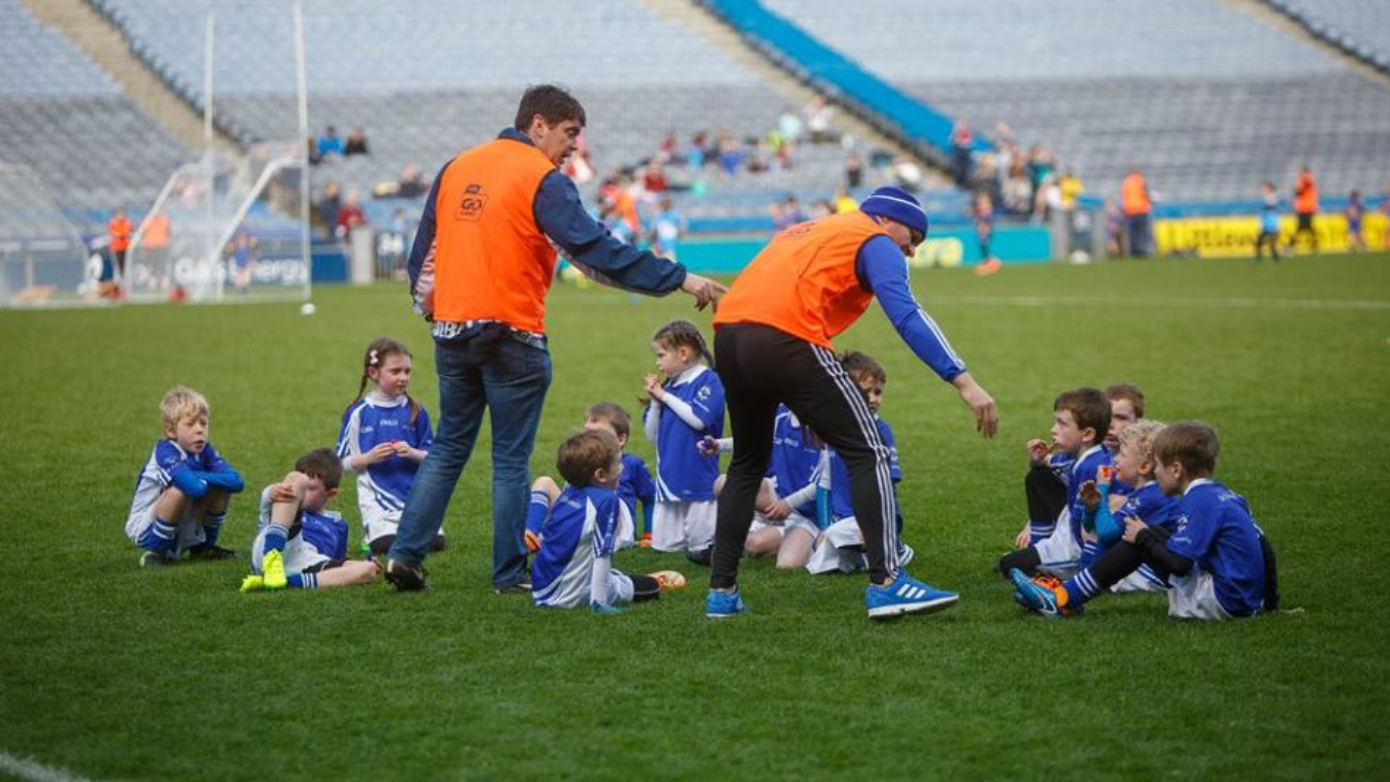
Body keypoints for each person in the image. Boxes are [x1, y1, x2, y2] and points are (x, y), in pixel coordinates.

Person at [384, 85, 723, 593]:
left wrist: (436, 314)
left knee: (449, 446)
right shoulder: (542, 179)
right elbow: (595, 250)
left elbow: (423, 258)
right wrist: (679, 278)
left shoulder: (457, 167)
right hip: (512, 336)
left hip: (453, 336)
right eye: (569, 134)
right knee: (509, 459)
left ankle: (405, 556)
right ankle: (507, 574)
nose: (573, 149)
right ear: (538, 124)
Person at [705, 185, 998, 620]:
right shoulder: (874, 238)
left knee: (747, 464)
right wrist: (964, 382)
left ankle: (721, 594)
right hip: (786, 335)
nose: (911, 252)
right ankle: (887, 582)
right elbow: (907, 314)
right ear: (888, 220)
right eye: (913, 239)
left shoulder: (812, 229)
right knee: (870, 450)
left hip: (730, 333)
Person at [1012, 422, 1278, 620]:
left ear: (1176, 469)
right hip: (1242, 600)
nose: (1156, 473)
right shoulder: (1222, 493)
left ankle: (1062, 598)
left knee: (1139, 540)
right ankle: (1066, 594)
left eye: (1158, 466)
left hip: (1222, 602)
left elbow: (1181, 565)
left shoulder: (1197, 500)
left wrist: (1143, 538)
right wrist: (1270, 604)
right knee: (1152, 533)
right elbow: (1264, 546)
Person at [530, 429, 686, 612]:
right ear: (601, 475)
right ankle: (642, 581)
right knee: (648, 587)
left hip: (541, 589)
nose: (622, 468)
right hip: (567, 596)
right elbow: (601, 556)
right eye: (619, 463)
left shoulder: (571, 490)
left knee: (613, 577)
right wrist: (600, 603)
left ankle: (620, 580)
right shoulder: (606, 500)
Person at [805, 352, 914, 575]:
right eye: (866, 393)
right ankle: (862, 557)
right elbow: (824, 486)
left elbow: (888, 485)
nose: (873, 399)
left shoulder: (881, 431)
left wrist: (876, 522)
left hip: (873, 518)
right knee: (820, 564)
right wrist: (824, 528)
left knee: (837, 538)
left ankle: (895, 547)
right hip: (841, 521)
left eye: (878, 392)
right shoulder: (832, 432)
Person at [337, 337, 440, 557]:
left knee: (436, 543)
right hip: (377, 502)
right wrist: (367, 458)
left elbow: (434, 458)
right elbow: (339, 463)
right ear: (374, 373)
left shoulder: (416, 411)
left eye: (407, 371)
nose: (403, 378)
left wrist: (412, 453)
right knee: (388, 545)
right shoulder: (357, 413)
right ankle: (371, 534)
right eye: (395, 371)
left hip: (415, 497)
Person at [997, 387, 1112, 581]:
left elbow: (1089, 528)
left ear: (1087, 434)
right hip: (1067, 536)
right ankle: (1039, 544)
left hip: (1076, 549)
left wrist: (1087, 570)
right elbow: (1047, 463)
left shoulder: (1092, 469)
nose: (1053, 429)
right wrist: (1037, 459)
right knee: (1037, 475)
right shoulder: (1080, 457)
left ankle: (1050, 570)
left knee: (1008, 565)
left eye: (1061, 423)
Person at [124, 387, 244, 567]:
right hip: (145, 526)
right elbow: (195, 488)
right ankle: (157, 552)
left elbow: (236, 482)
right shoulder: (164, 452)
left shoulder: (205, 451)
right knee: (178, 491)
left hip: (182, 517)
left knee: (222, 488)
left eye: (203, 423)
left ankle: (203, 548)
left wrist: (198, 476)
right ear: (171, 431)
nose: (199, 430)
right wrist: (208, 478)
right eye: (190, 424)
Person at [1013, 383, 1143, 550]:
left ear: (1138, 422)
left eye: (1121, 417)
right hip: (1083, 518)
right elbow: (1046, 462)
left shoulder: (1140, 462)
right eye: (1108, 416)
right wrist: (1032, 525)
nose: (1111, 424)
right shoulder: (1083, 452)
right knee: (1038, 475)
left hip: (1111, 528)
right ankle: (1043, 540)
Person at [239, 448, 380, 592]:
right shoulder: (283, 505)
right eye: (301, 488)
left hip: (306, 563)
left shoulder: (339, 525)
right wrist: (272, 491)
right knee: (297, 478)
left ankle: (283, 583)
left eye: (310, 489)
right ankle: (273, 557)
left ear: (330, 494)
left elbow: (336, 561)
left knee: (367, 570)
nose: (302, 492)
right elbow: (269, 496)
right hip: (278, 547)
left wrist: (361, 563)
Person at [643, 320, 724, 563]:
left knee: (701, 547)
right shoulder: (669, 386)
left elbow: (699, 420)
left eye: (661, 355)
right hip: (669, 479)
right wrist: (656, 402)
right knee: (664, 549)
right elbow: (651, 435)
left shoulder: (708, 380)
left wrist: (664, 397)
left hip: (699, 478)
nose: (657, 362)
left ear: (684, 353)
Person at [525, 402, 656, 552]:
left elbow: (649, 498)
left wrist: (649, 534)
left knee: (604, 498)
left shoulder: (631, 464)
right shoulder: (581, 458)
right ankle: (531, 535)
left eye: (599, 435)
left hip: (615, 527)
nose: (590, 440)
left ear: (621, 440)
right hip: (581, 516)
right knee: (544, 482)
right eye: (587, 433)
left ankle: (556, 535)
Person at [1075, 419, 1180, 593]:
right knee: (1102, 525)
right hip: (1148, 562)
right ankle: (1083, 579)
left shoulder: (1151, 497)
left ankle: (1083, 584)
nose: (1115, 459)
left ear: (1144, 466)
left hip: (1153, 572)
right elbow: (1089, 527)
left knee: (1107, 534)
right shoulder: (1141, 493)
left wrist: (1102, 489)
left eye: (1122, 454)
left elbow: (1107, 533)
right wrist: (1090, 506)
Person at [1120, 168, 1153, 257]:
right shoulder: (1140, 180)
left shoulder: (1126, 182)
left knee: (1132, 233)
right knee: (1142, 232)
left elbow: (1124, 196)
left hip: (1130, 211)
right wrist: (1150, 201)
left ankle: (1133, 252)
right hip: (1141, 210)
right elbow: (1145, 193)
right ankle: (1142, 251)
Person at [1288, 165, 1319, 254]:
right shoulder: (1305, 179)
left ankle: (1290, 246)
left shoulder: (1305, 178)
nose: (1299, 173)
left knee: (1300, 227)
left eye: (1300, 171)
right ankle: (1315, 246)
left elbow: (1300, 191)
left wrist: (1297, 190)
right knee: (1308, 227)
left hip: (1305, 208)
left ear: (1305, 171)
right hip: (1306, 207)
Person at [1255, 182, 1281, 262]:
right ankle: (1259, 257)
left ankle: (1275, 258)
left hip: (1272, 224)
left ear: (1269, 189)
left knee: (1271, 242)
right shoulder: (1267, 197)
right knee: (1260, 240)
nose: (1263, 189)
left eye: (1265, 188)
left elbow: (1270, 206)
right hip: (1266, 224)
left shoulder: (1272, 197)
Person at [108, 207, 132, 283]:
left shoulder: (127, 223)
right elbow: (114, 234)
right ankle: (116, 283)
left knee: (124, 266)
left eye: (122, 213)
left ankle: (124, 282)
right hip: (116, 248)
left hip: (125, 248)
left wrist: (121, 235)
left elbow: (127, 233)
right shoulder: (113, 223)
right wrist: (121, 235)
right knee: (117, 266)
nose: (121, 215)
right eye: (120, 214)